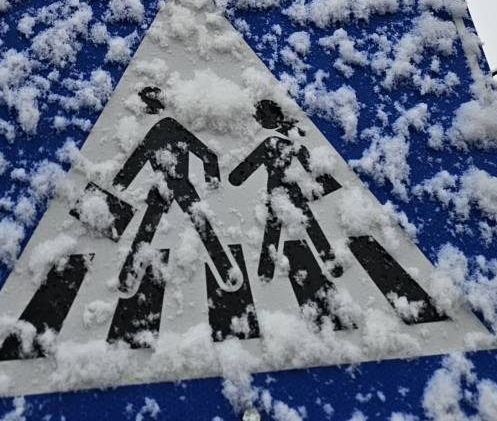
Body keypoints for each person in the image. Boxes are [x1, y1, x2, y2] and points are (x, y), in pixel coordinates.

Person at [112, 86, 238, 292]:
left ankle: (128, 278)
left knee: (149, 232)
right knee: (196, 228)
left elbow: (205, 153)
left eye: (147, 105)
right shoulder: (162, 128)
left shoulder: (165, 128)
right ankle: (227, 272)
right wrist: (211, 178)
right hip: (172, 188)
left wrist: (121, 182)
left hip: (172, 187)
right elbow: (206, 154)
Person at [228, 98, 341, 280]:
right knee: (308, 224)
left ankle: (265, 271)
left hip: (277, 191)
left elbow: (242, 171)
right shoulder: (293, 145)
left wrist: (236, 178)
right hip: (293, 191)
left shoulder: (272, 143)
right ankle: (332, 262)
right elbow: (316, 172)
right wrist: (322, 188)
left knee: (273, 228)